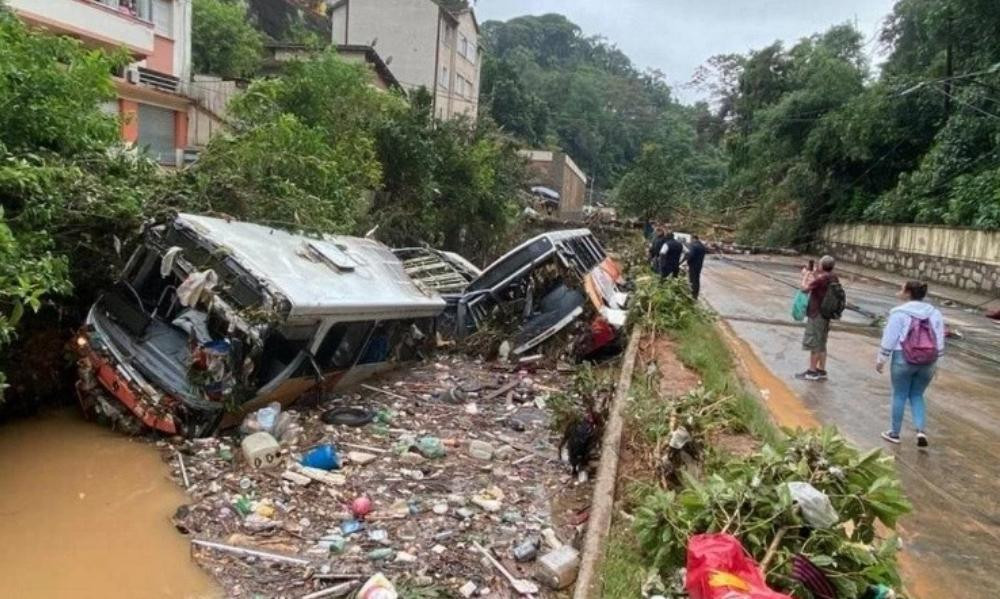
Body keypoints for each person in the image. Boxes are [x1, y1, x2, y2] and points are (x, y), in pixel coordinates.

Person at [876, 281, 944, 447]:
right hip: (928, 360)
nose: (899, 291)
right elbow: (939, 338)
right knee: (917, 395)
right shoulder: (934, 313)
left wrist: (881, 359)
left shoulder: (899, 313)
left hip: (903, 357)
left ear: (907, 293)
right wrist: (938, 363)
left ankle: (894, 433)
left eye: (901, 288)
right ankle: (920, 430)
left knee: (899, 394)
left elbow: (889, 338)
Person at [796, 255, 838, 381]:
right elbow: (820, 284)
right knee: (822, 342)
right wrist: (814, 274)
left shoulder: (822, 279)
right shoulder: (833, 277)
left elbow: (804, 289)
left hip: (816, 313)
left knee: (814, 342)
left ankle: (811, 371)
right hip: (826, 314)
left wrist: (805, 275)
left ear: (821, 265)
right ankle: (821, 370)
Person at [683, 234, 707, 299]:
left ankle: (692, 293)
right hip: (699, 265)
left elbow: (691, 255)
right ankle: (696, 293)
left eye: (691, 239)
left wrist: (687, 262)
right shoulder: (702, 246)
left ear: (693, 239)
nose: (690, 241)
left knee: (692, 279)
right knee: (697, 279)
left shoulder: (693, 246)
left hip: (693, 265)